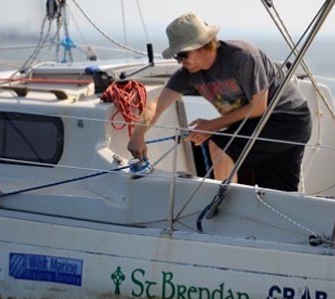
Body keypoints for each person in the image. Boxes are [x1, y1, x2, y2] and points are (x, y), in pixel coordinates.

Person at [127, 12, 312, 192]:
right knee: (277, 195)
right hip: (255, 124)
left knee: (219, 146)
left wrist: (211, 126)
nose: (179, 62)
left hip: (288, 119)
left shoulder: (243, 57)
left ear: (201, 46)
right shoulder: (188, 74)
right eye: (177, 57)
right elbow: (156, 105)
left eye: (182, 55)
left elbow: (259, 106)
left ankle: (223, 206)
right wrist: (138, 135)